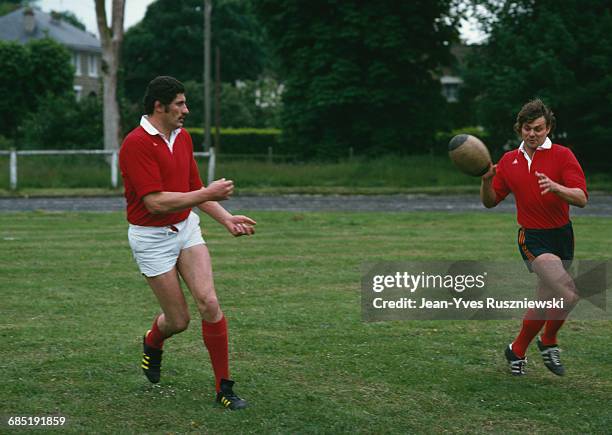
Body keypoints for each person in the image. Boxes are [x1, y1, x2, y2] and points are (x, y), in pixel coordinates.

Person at [119, 76, 256, 410]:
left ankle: (224, 387)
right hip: (151, 239)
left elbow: (191, 188)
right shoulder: (135, 144)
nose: (186, 110)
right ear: (159, 106)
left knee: (209, 302)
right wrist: (207, 193)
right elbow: (156, 203)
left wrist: (226, 218)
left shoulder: (182, 138)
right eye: (180, 104)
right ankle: (153, 340)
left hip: (186, 229)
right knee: (179, 320)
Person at [480, 98, 588, 376]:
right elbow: (491, 202)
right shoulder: (509, 160)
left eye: (538, 128)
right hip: (533, 238)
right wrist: (485, 180)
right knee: (569, 293)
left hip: (563, 236)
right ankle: (548, 341)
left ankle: (516, 350)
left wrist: (556, 187)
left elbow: (582, 198)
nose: (533, 134)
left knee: (544, 300)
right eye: (527, 128)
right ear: (520, 129)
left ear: (548, 127)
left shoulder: (563, 155)